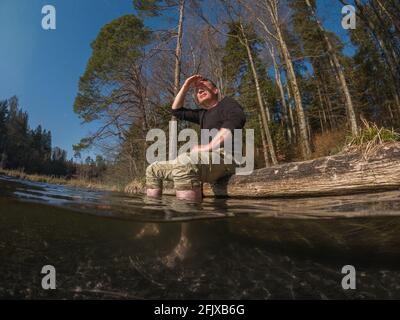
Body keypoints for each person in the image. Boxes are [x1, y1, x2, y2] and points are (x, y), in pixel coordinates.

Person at [146, 75, 246, 201]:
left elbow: (237, 119)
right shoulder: (202, 114)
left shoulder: (226, 103)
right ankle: (153, 211)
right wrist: (186, 85)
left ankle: (189, 216)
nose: (200, 90)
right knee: (153, 169)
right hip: (207, 160)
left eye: (204, 86)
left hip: (227, 157)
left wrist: (209, 146)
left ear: (215, 90)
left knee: (185, 162)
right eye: (198, 90)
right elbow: (176, 111)